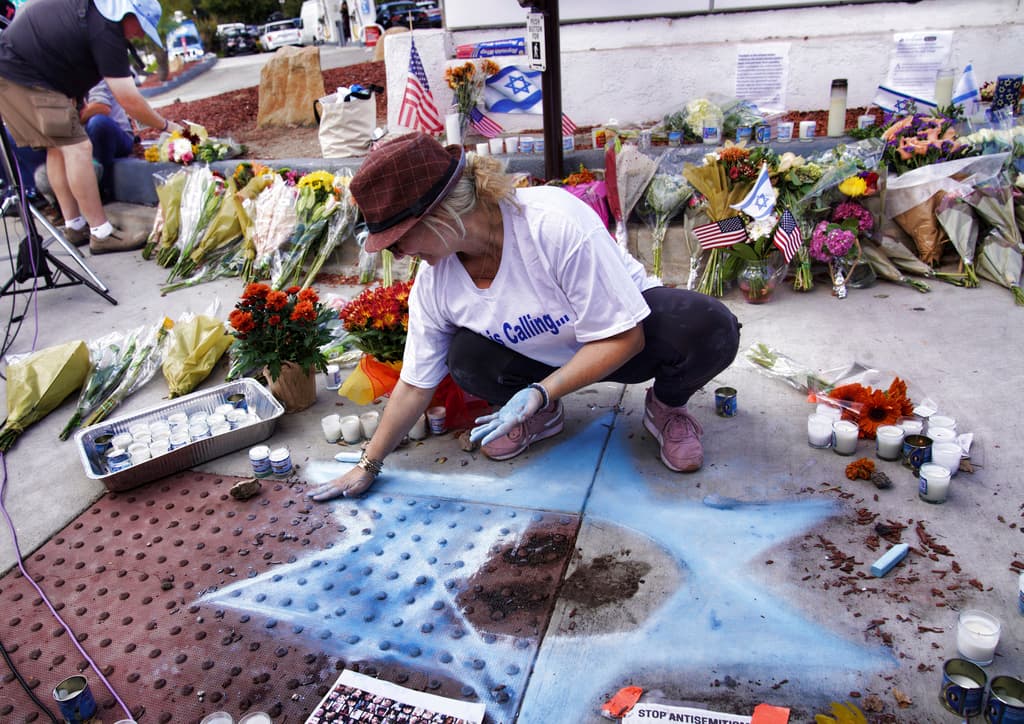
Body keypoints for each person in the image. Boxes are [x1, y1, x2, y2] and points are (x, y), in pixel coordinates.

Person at [309, 132, 741, 501]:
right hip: (540, 359)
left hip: (624, 342)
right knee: (466, 358)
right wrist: (370, 463)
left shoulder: (552, 225)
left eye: (398, 239)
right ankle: (543, 415)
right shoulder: (435, 280)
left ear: (442, 214)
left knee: (707, 326)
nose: (397, 254)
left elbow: (624, 339)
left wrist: (537, 391)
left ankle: (666, 408)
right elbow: (414, 384)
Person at [0, 0, 183, 254]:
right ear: (127, 14)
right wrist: (167, 125)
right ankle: (101, 233)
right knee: (78, 147)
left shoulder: (95, 17)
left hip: (20, 70)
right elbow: (128, 98)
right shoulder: (106, 29)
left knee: (57, 148)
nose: (140, 34)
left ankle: (75, 226)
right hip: (22, 73)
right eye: (141, 25)